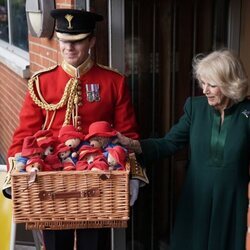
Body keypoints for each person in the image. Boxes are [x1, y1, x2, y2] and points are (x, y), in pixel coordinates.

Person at [3, 8, 148, 250]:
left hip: (98, 181)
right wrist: (13, 177)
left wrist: (132, 174)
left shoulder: (114, 82)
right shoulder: (41, 82)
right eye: (63, 41)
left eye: (77, 41)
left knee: (95, 244)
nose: (69, 48)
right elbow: (25, 135)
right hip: (51, 181)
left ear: (91, 40)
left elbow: (128, 135)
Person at [117, 49, 250, 250]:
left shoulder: (247, 112)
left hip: (232, 200)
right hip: (197, 197)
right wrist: (136, 145)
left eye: (212, 85)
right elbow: (170, 143)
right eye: (203, 83)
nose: (204, 90)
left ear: (230, 84)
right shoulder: (195, 107)